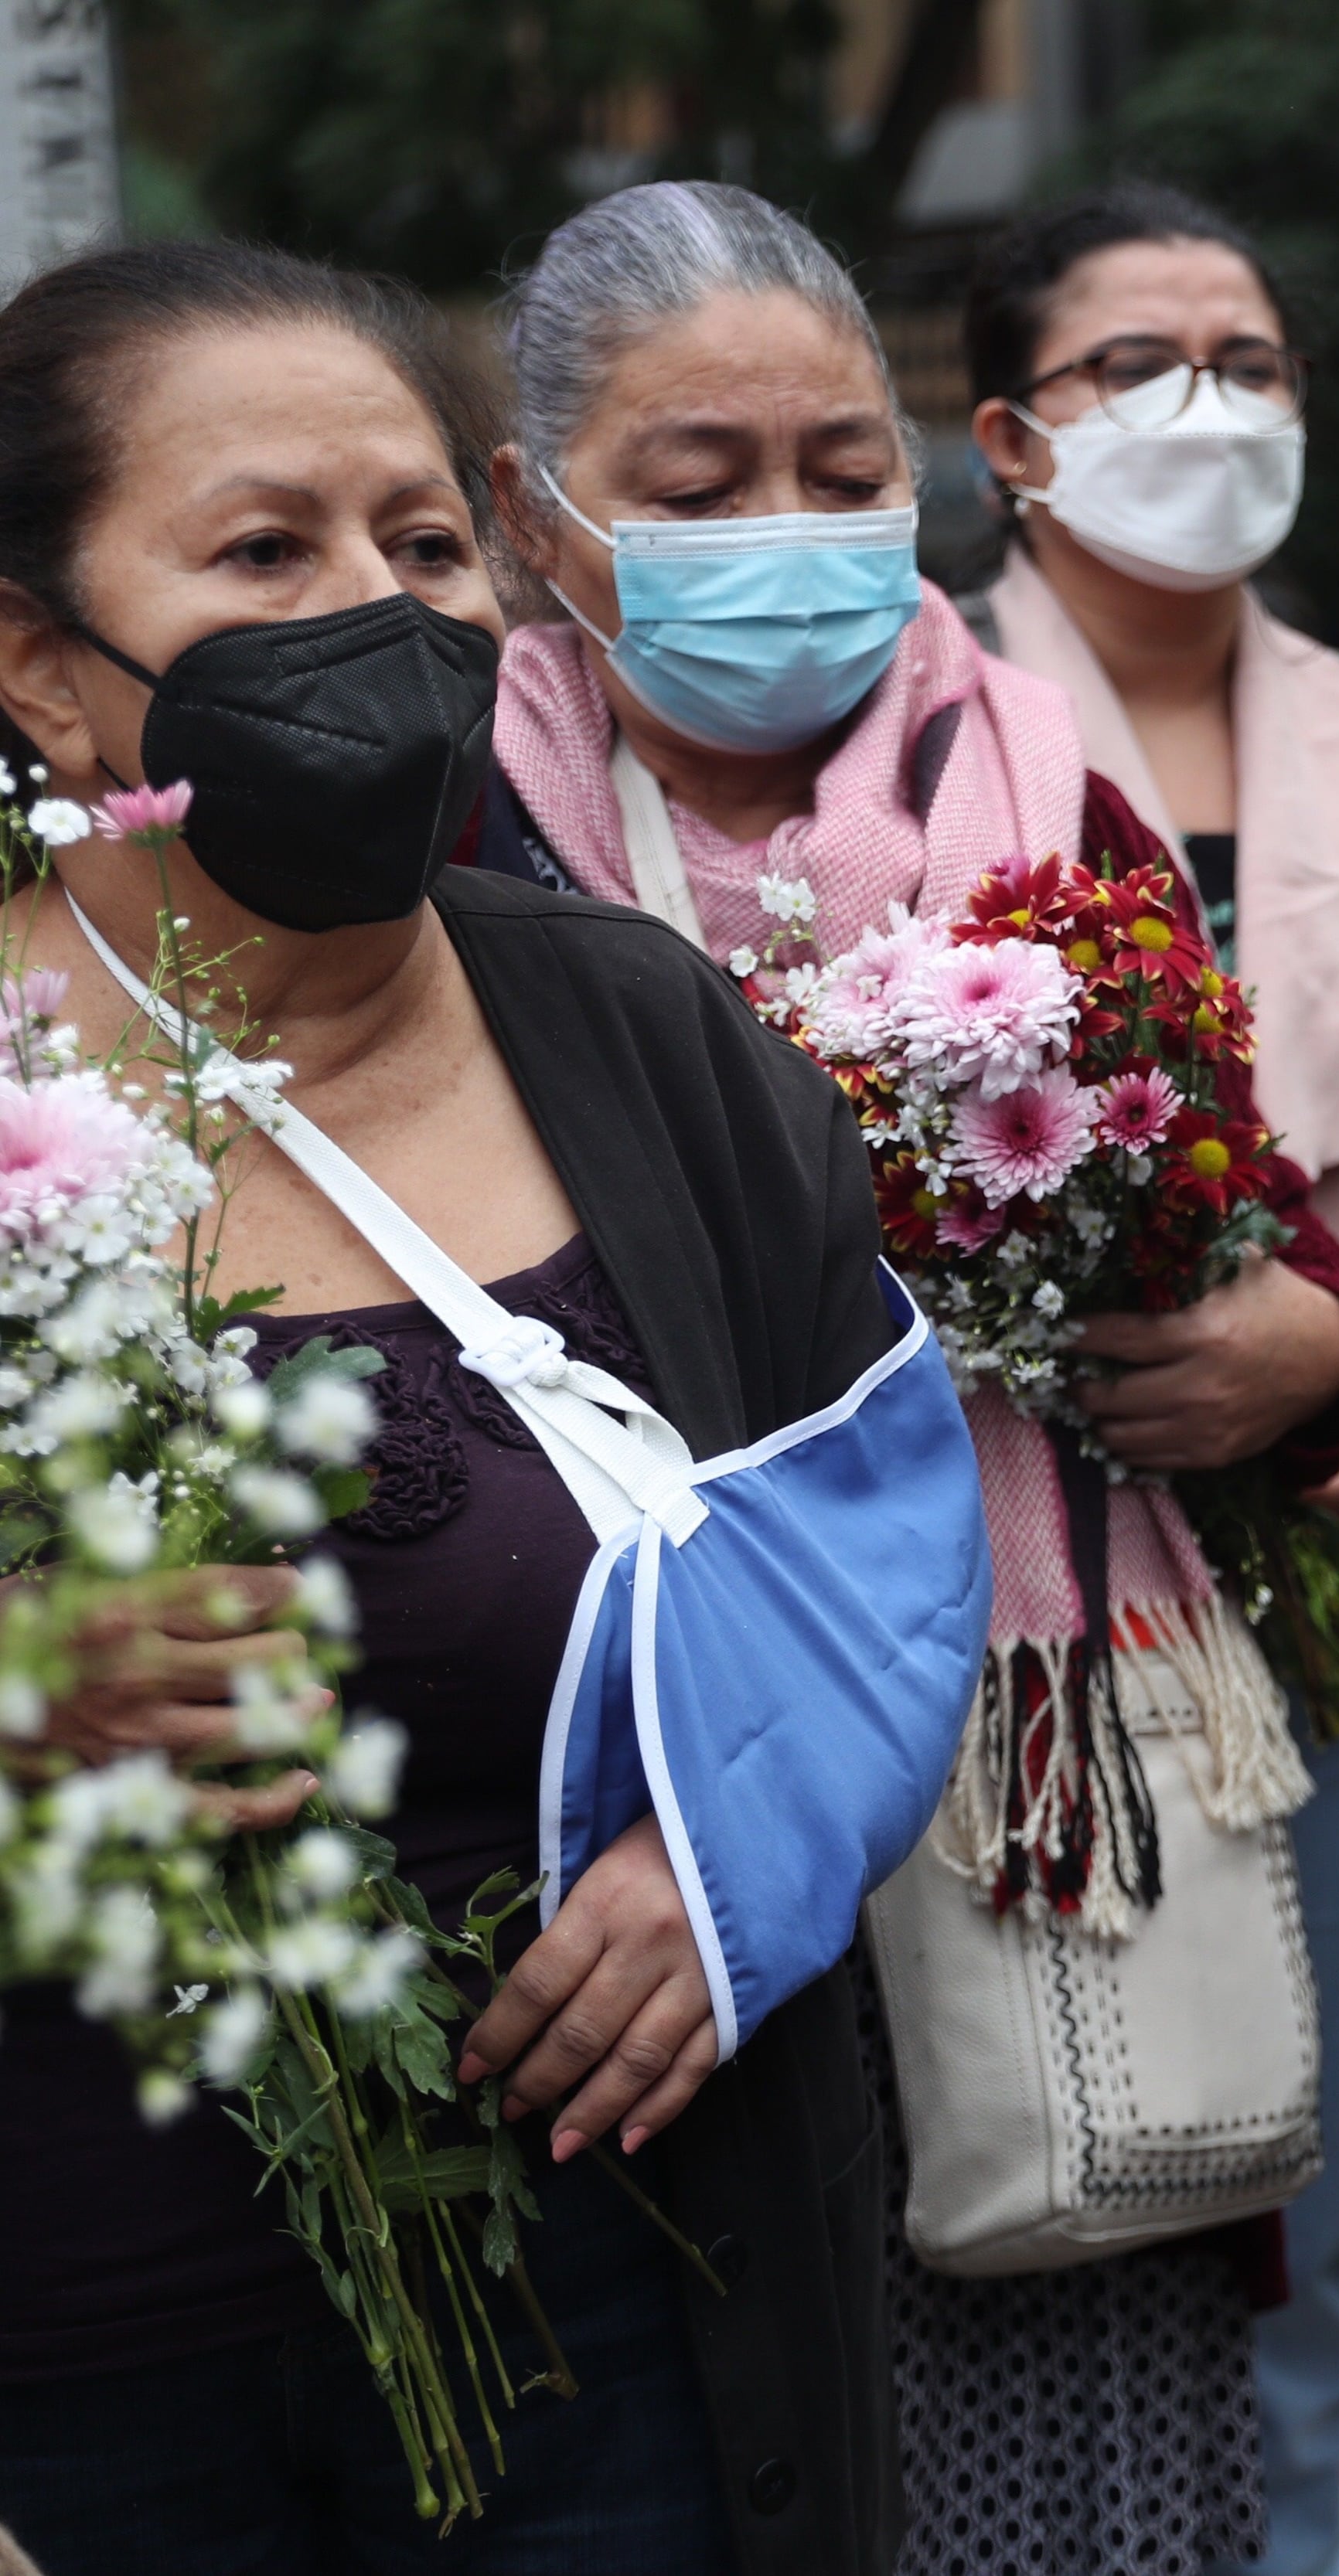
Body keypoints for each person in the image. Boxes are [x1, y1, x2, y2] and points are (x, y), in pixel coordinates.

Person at [0, 238, 980, 2574]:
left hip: (623, 2325)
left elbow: (879, 1537)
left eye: (425, 545)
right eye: (264, 551)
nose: (379, 608)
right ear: (42, 669)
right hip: (71, 2372)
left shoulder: (637, 1035)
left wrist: (734, 1854)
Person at [472, 180, 1339, 2576]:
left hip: (1027, 1788)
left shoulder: (1045, 791)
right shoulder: (454, 838)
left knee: (1059, 2392)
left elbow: (1246, 1213)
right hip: (627, 1796)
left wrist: (1299, 1342)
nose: (788, 530)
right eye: (693, 487)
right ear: (532, 519)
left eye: (843, 467)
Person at [953, 181, 1339, 2576]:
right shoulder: (921, 736)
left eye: (1251, 353)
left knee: (1297, 2189)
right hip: (1022, 1601)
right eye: (1138, 361)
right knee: (1038, 2179)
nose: (1206, 401)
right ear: (1010, 432)